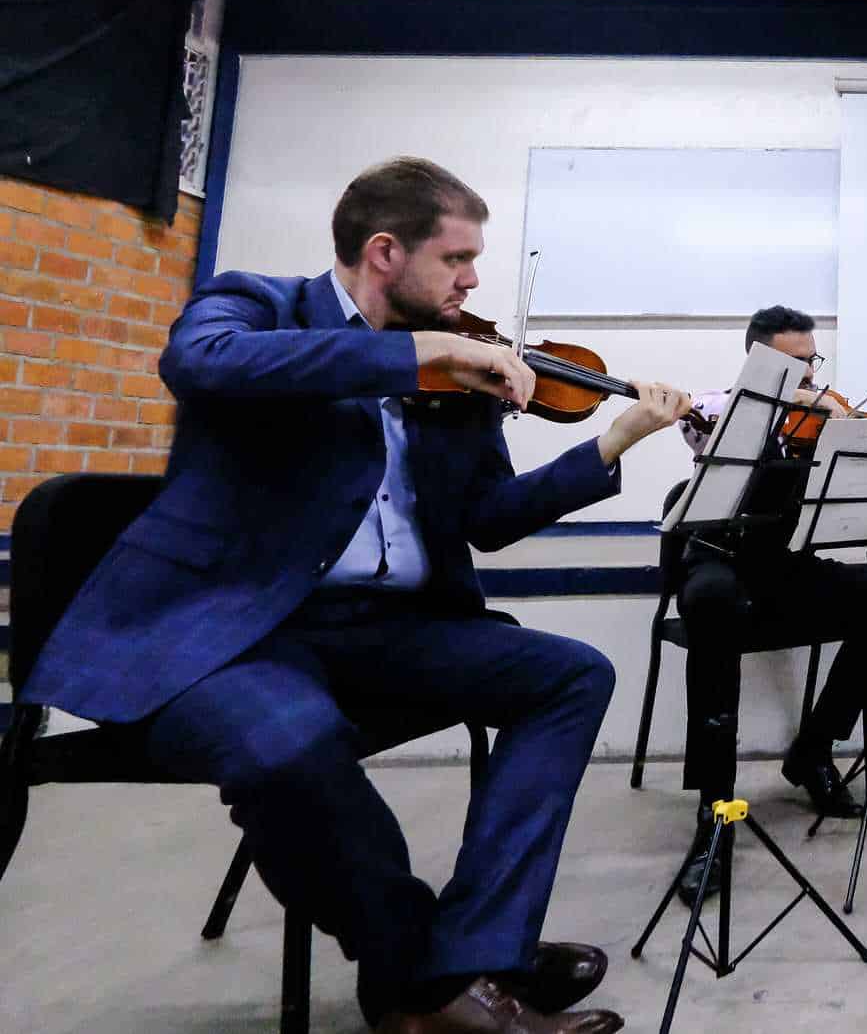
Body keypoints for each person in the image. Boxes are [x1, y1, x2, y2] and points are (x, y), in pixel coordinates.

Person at [21, 157, 692, 1034]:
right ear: (384, 251)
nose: (472, 280)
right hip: (238, 633)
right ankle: (434, 978)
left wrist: (611, 444)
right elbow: (201, 360)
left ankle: (469, 956)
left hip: (385, 631)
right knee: (288, 743)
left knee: (568, 674)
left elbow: (487, 519)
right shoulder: (258, 305)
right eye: (455, 259)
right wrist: (420, 353)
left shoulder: (461, 375)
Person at [664, 305, 867, 899]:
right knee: (714, 607)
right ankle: (713, 810)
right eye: (790, 363)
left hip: (783, 565)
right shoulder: (717, 406)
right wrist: (786, 404)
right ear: (756, 358)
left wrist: (843, 427)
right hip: (719, 559)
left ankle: (814, 748)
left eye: (810, 362)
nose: (806, 375)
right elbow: (698, 423)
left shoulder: (819, 413)